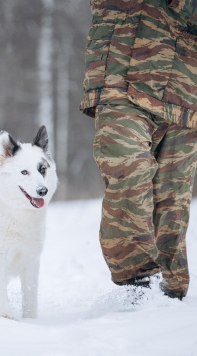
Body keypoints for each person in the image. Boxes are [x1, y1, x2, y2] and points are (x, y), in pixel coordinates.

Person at [80, 0, 197, 300]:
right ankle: (137, 289)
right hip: (120, 78)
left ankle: (171, 295)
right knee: (129, 172)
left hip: (183, 92)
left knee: (171, 204)